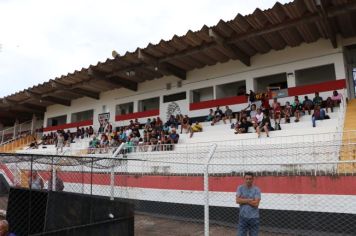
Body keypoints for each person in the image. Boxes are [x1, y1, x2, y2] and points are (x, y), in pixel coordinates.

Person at [236, 172, 261, 236]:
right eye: (246, 179)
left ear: (253, 179)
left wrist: (243, 200)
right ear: (244, 179)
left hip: (254, 218)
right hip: (242, 217)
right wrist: (250, 200)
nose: (248, 180)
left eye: (250, 179)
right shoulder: (240, 188)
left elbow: (256, 204)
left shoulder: (257, 189)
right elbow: (237, 200)